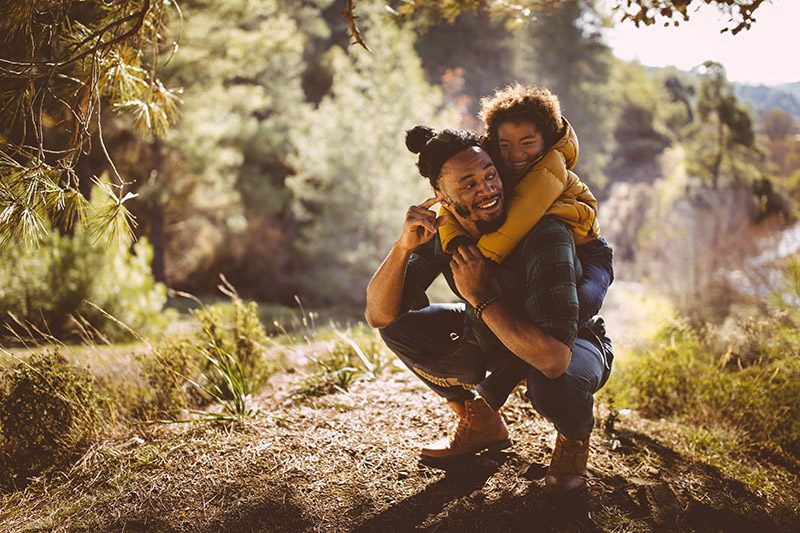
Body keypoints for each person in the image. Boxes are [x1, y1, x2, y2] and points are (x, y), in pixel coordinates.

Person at [364, 126, 613, 494]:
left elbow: (554, 358)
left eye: (490, 175)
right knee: (400, 328)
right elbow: (378, 315)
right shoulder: (448, 232)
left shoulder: (545, 233)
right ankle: (479, 423)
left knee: (552, 385)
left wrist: (480, 297)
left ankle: (573, 441)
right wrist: (403, 249)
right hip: (494, 337)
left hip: (573, 343)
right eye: (468, 184)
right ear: (442, 197)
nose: (488, 189)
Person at [437, 85, 614, 410]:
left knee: (579, 309)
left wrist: (483, 261)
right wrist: (454, 238)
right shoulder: (499, 169)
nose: (516, 154)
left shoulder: (548, 170)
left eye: (527, 143)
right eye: (505, 145)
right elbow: (448, 209)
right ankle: (499, 358)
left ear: (546, 140)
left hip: (591, 255)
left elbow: (518, 220)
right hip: (561, 251)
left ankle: (507, 377)